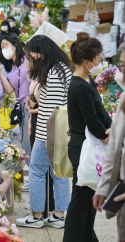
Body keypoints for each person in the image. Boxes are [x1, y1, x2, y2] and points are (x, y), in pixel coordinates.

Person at [16, 35, 72, 229]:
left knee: (37, 171)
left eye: (33, 52)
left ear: (42, 51)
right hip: (60, 127)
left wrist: (49, 136)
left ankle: (37, 215)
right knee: (60, 173)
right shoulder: (62, 68)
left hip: (49, 130)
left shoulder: (53, 72)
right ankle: (59, 216)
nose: (31, 56)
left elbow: (53, 107)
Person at [63, 32, 112, 242]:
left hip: (88, 146)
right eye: (99, 58)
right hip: (83, 148)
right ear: (87, 62)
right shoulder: (79, 86)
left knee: (88, 201)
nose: (101, 61)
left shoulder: (86, 80)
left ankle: (87, 237)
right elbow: (91, 120)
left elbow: (99, 113)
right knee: (80, 201)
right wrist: (105, 134)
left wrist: (111, 128)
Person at [93, 44, 125, 242]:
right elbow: (114, 148)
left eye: (121, 65)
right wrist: (104, 188)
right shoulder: (123, 99)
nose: (119, 71)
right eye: (121, 64)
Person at [0, 36, 31, 167]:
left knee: (30, 143)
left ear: (15, 45)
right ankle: (35, 176)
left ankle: (37, 177)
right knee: (25, 144)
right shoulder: (11, 67)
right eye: (2, 48)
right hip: (21, 108)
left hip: (31, 107)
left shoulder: (27, 61)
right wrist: (1, 74)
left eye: (6, 46)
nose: (4, 49)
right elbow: (10, 90)